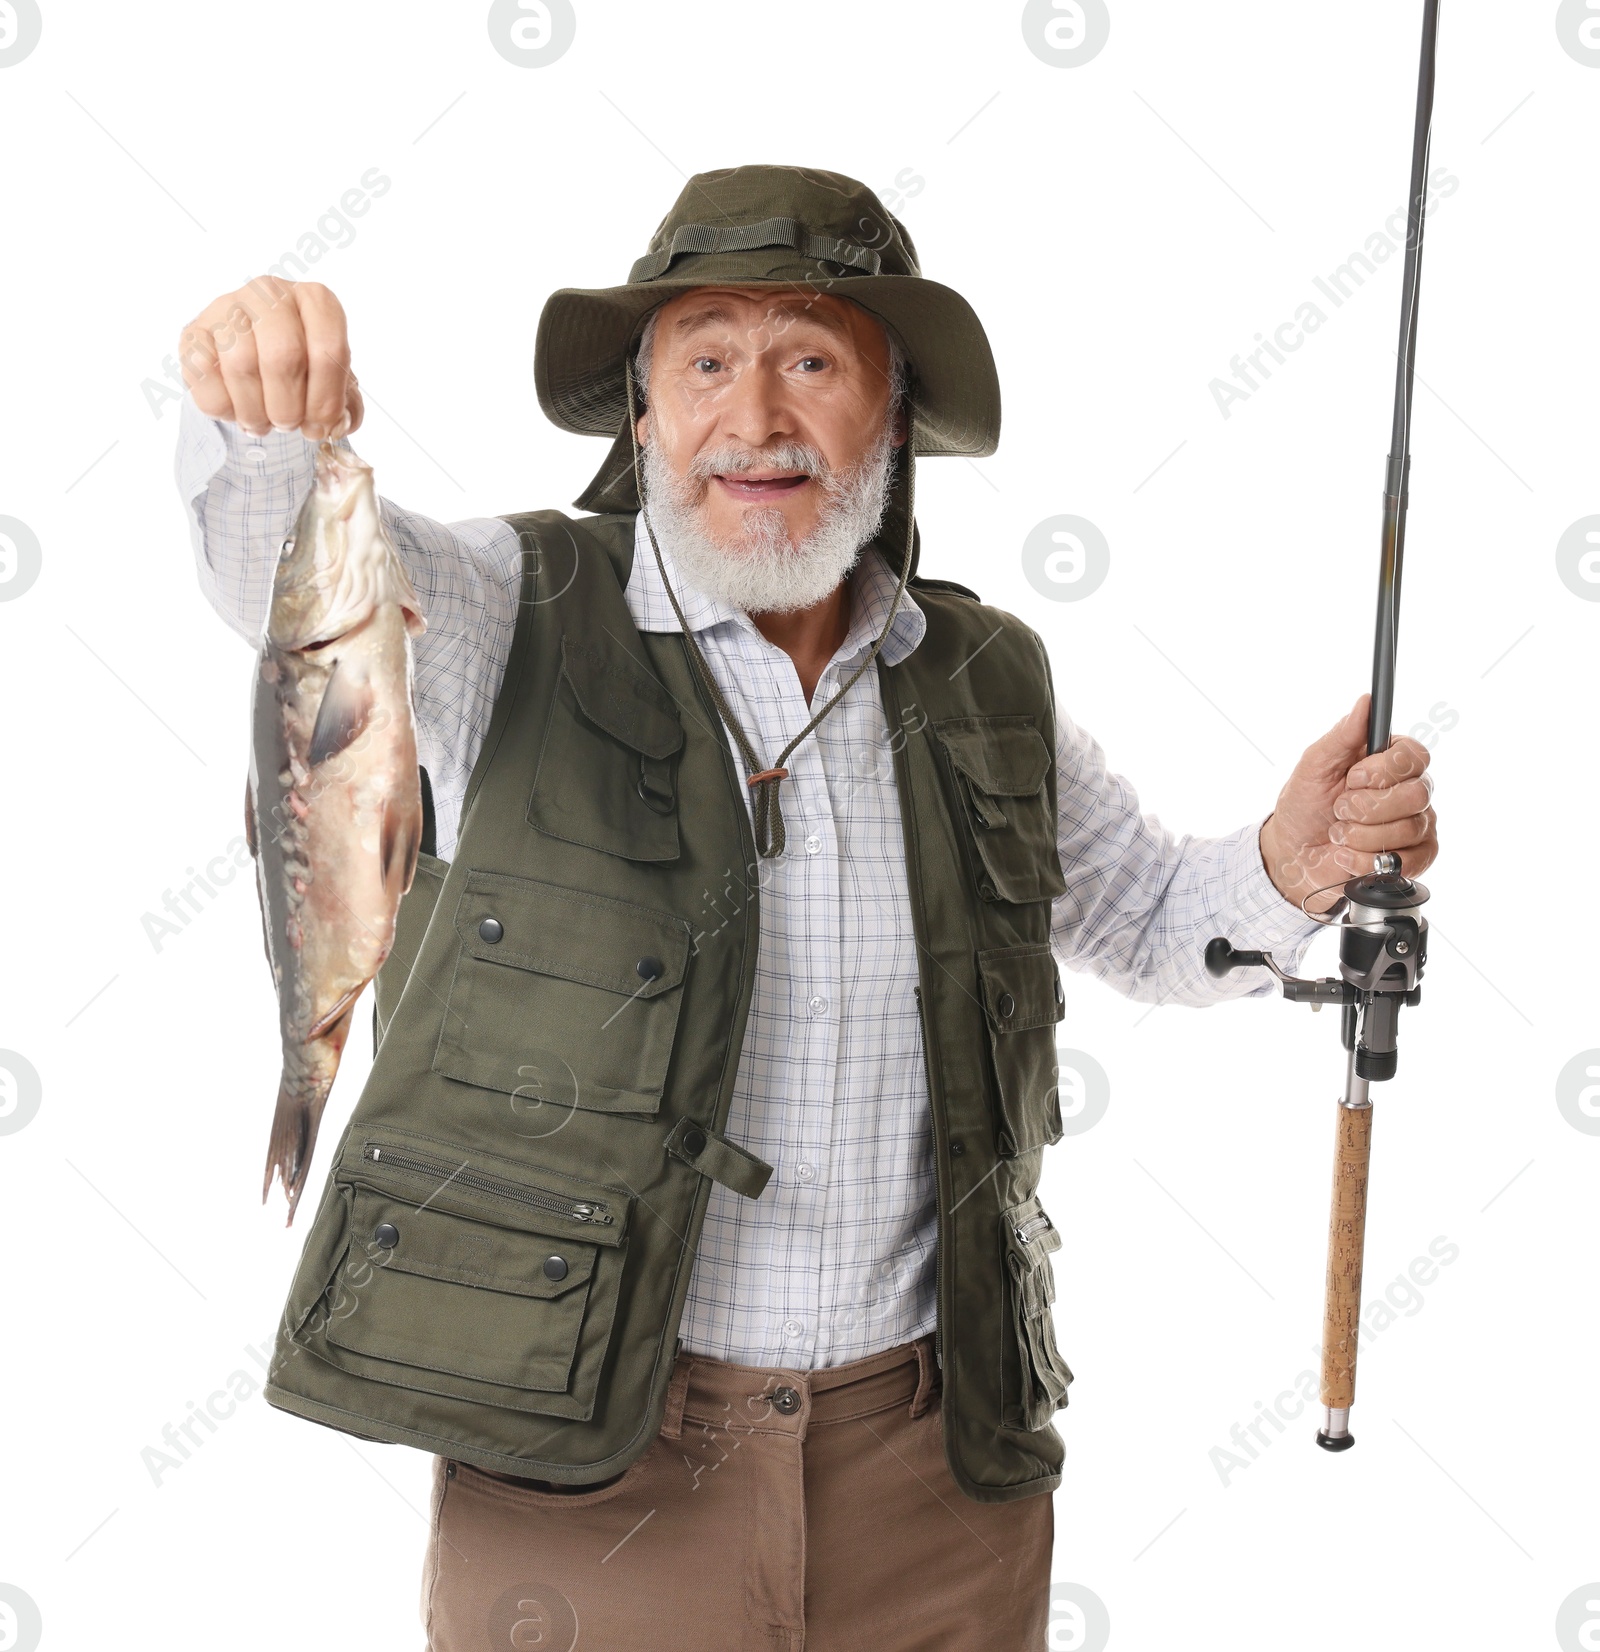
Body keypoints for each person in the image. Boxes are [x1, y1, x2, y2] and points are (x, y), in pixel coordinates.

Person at [176, 165, 1438, 1652]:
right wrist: (254, 406)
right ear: (642, 416)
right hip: (591, 1480)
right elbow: (288, 572)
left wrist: (1292, 863)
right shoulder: (507, 610)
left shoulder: (986, 683)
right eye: (705, 358)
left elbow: (1155, 916)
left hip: (939, 1488)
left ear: (892, 419)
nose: (756, 416)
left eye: (813, 361)